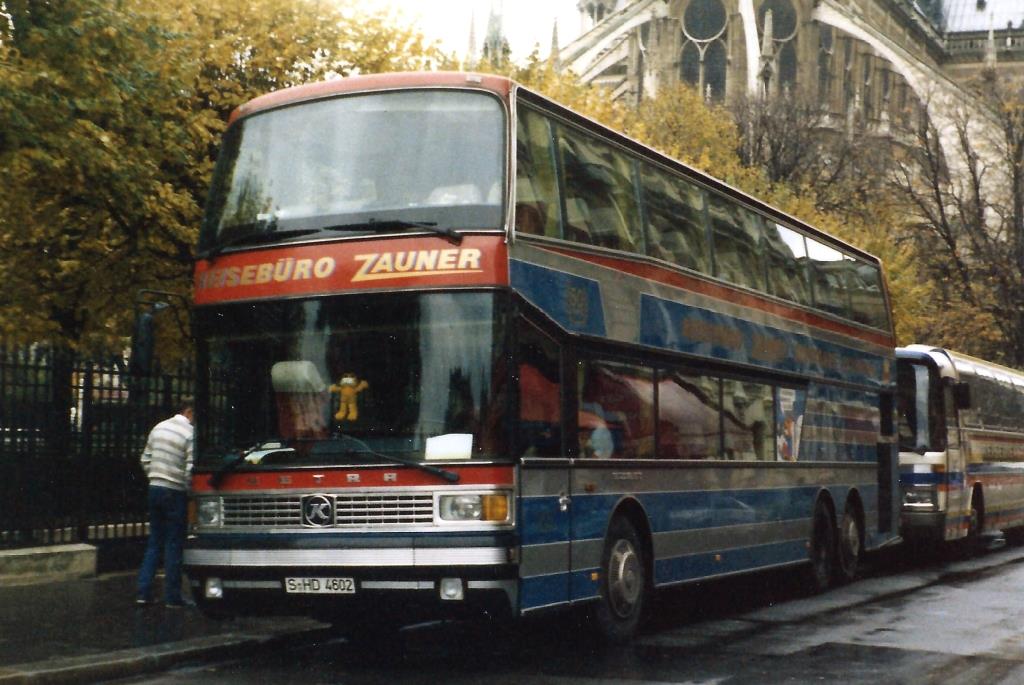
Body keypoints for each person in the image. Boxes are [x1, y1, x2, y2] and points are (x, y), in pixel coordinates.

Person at [136, 397, 194, 608]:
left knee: (154, 542)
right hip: (175, 492)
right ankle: (172, 596)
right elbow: (189, 470)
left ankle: (143, 593)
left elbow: (145, 459)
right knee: (173, 544)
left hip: (154, 488)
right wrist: (188, 491)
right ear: (189, 412)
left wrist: (155, 477)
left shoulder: (158, 428)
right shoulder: (189, 434)